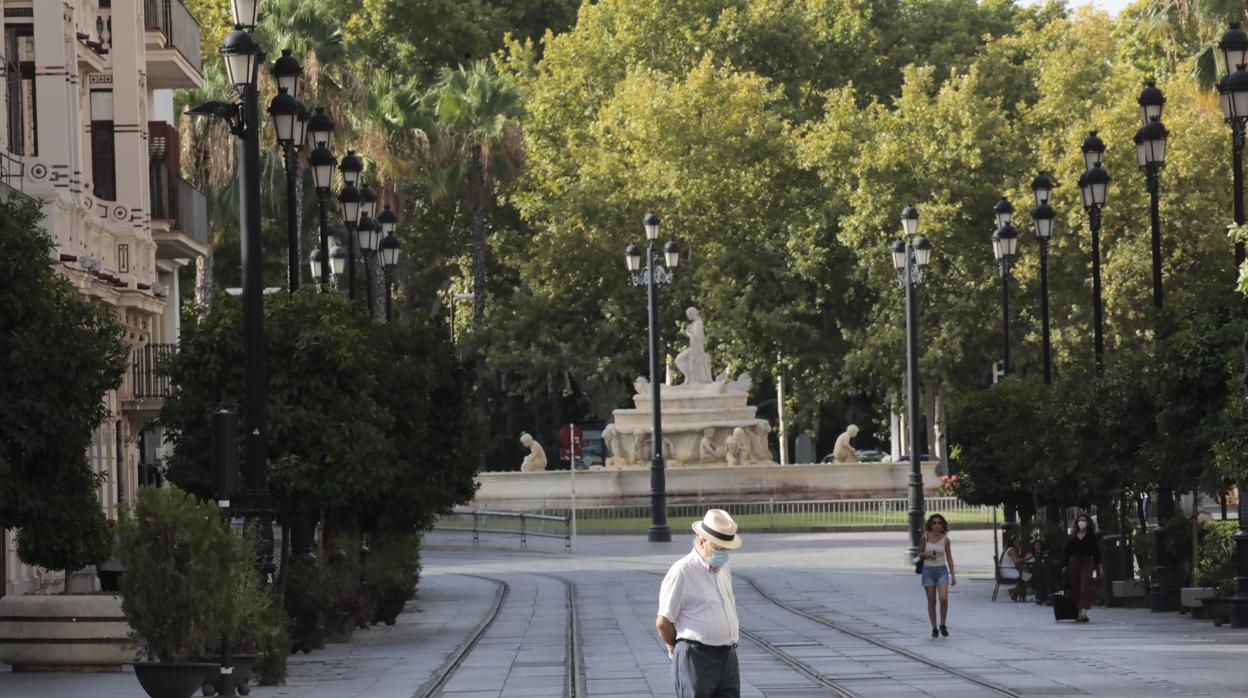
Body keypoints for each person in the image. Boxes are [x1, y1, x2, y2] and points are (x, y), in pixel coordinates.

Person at [657, 509, 743, 698]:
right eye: (718, 548)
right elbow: (664, 621)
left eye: (726, 549)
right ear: (702, 540)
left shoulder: (723, 568)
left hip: (727, 657)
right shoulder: (682, 571)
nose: (723, 554)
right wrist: (676, 646)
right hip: (697, 657)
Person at [918, 513, 956, 637]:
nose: (936, 525)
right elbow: (920, 553)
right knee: (931, 601)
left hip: (941, 571)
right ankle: (934, 628)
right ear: (930, 524)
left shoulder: (946, 539)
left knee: (944, 599)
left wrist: (953, 574)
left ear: (942, 525)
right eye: (934, 523)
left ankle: (943, 625)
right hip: (928, 571)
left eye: (939, 523)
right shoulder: (925, 537)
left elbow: (949, 557)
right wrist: (928, 556)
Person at [1062, 513, 1102, 623]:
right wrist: (1065, 566)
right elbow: (1066, 552)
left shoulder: (1091, 537)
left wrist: (1100, 566)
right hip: (1073, 563)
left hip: (1087, 562)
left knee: (1085, 586)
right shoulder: (1072, 537)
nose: (1081, 522)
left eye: (1084, 520)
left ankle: (1083, 612)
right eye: (1079, 520)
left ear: (1088, 522)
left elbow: (1096, 552)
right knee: (1074, 588)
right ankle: (1078, 612)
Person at [999, 532, 1033, 602]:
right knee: (1029, 576)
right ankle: (1016, 591)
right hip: (1008, 571)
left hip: (1008, 570)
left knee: (1026, 575)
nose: (1019, 543)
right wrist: (1026, 558)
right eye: (1017, 541)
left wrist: (1025, 559)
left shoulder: (1012, 549)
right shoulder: (1011, 549)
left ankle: (1017, 592)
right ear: (1013, 542)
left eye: (1019, 541)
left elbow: (1017, 563)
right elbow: (1016, 562)